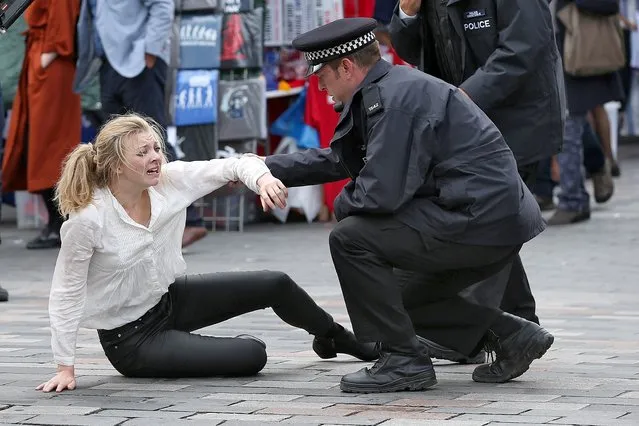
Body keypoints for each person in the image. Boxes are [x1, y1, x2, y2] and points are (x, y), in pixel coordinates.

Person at [264, 18, 554, 393]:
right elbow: (341, 160)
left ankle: (404, 362)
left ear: (347, 67)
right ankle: (512, 336)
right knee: (390, 296)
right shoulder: (390, 88)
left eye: (322, 75)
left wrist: (340, 205)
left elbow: (380, 194)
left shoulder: (394, 100)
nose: (319, 86)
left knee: (351, 238)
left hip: (476, 219)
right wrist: (259, 168)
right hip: (487, 218)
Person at [36, 113, 378, 393]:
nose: (155, 157)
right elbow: (66, 293)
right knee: (252, 354)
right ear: (116, 166)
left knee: (275, 283)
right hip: (131, 341)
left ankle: (337, 339)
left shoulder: (170, 180)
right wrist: (65, 366)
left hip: (168, 300)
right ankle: (184, 347)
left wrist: (261, 180)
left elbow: (233, 165)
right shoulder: (88, 219)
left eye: (156, 148)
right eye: (142, 153)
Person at [388, 0, 565, 363]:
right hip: (464, 125)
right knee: (496, 224)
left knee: (489, 223)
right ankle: (518, 324)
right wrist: (407, 13)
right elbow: (411, 49)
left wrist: (462, 98)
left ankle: (480, 333)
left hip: (515, 122)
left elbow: (523, 49)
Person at [73, 0, 207, 248]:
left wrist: (150, 51)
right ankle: (130, 224)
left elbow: (162, 6)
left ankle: (192, 220)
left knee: (152, 143)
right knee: (116, 148)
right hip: (109, 64)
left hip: (140, 62)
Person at [2, 0, 82, 249]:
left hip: (50, 66)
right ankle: (56, 222)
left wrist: (47, 56)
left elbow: (62, 26)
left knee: (50, 145)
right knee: (39, 144)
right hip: (41, 62)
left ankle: (60, 222)